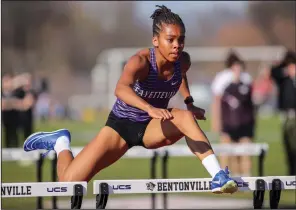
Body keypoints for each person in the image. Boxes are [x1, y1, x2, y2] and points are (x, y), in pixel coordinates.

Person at [23, 5, 238, 194]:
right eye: (170, 39)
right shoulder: (140, 62)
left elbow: (180, 76)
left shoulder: (183, 61)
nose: (177, 45)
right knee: (70, 183)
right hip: (121, 127)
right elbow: (120, 89)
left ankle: (218, 176)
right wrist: (149, 108)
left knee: (185, 118)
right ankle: (61, 143)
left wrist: (189, 102)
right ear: (155, 40)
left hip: (151, 127)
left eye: (181, 40)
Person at [211, 51, 255, 177]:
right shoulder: (223, 78)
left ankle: (245, 179)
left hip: (244, 121)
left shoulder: (246, 78)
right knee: (226, 152)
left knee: (245, 151)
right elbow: (217, 100)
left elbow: (250, 103)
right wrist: (216, 120)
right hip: (228, 122)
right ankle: (225, 178)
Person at [268, 50, 296, 175]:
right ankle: (291, 173)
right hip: (286, 114)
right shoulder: (283, 77)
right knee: (288, 146)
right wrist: (284, 68)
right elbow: (273, 72)